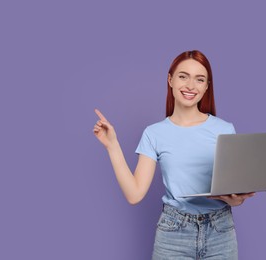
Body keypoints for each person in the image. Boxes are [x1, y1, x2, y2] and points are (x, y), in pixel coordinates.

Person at [93, 50, 255, 259]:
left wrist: (235, 199)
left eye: (200, 79)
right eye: (183, 76)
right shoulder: (154, 133)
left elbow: (234, 197)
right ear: (170, 80)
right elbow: (134, 194)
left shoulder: (224, 129)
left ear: (206, 86)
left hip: (220, 232)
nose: (190, 85)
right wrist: (112, 146)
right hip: (173, 234)